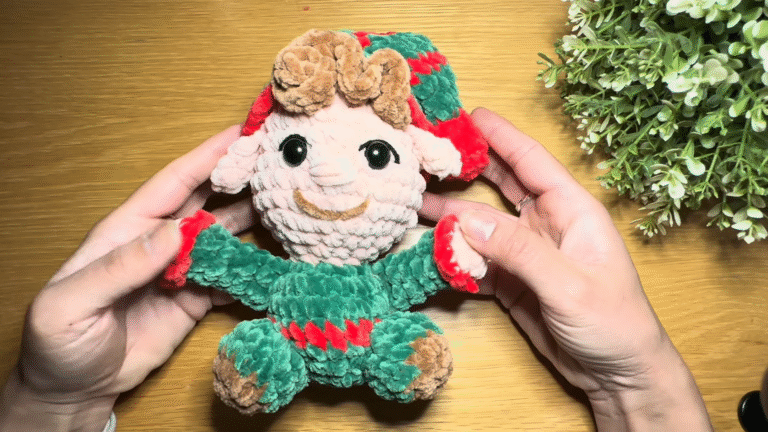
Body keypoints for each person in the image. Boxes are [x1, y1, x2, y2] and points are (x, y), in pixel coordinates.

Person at [0, 109, 714, 431]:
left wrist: (52, 408)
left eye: (374, 156)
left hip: (375, 327)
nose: (331, 176)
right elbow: (239, 268)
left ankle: (392, 359)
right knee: (254, 355)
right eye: (297, 153)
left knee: (404, 343)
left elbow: (407, 279)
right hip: (281, 330)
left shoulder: (378, 275)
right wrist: (640, 386)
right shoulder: (281, 277)